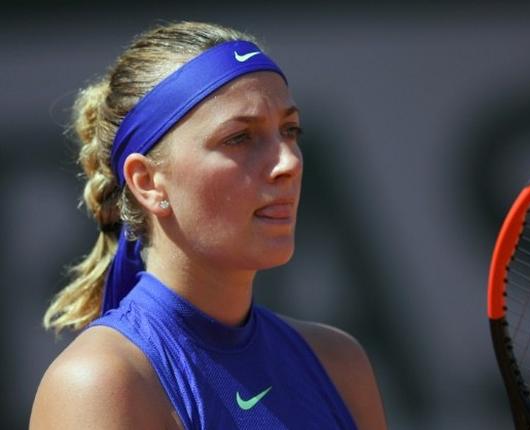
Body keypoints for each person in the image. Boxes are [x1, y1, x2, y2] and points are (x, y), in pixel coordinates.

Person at [30, 21, 387, 429]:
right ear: (148, 182)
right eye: (240, 138)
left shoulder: (340, 363)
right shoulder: (98, 384)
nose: (288, 162)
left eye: (290, 130)